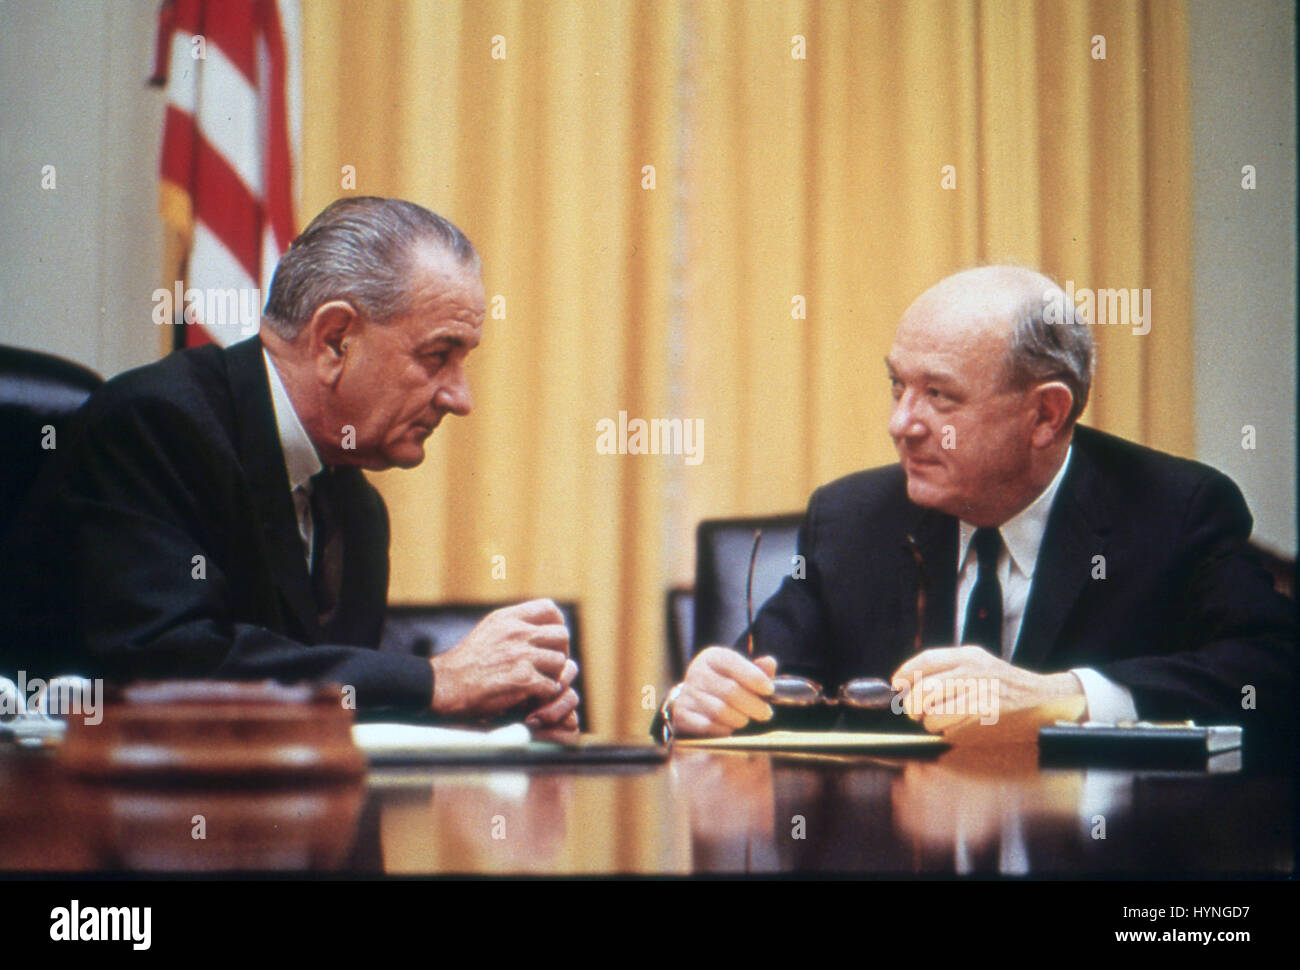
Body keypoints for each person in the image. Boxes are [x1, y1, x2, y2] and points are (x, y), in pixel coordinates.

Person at [0, 197, 579, 731]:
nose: (461, 398)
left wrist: (479, 717)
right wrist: (437, 681)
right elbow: (170, 670)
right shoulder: (154, 424)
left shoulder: (356, 506)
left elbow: (324, 711)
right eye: (437, 357)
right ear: (335, 340)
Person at [664, 266, 1293, 746]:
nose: (900, 424)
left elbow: (1274, 673)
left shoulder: (1173, 509)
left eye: (939, 395)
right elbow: (759, 691)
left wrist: (1067, 697)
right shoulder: (851, 520)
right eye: (897, 385)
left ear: (1045, 414)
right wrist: (696, 706)